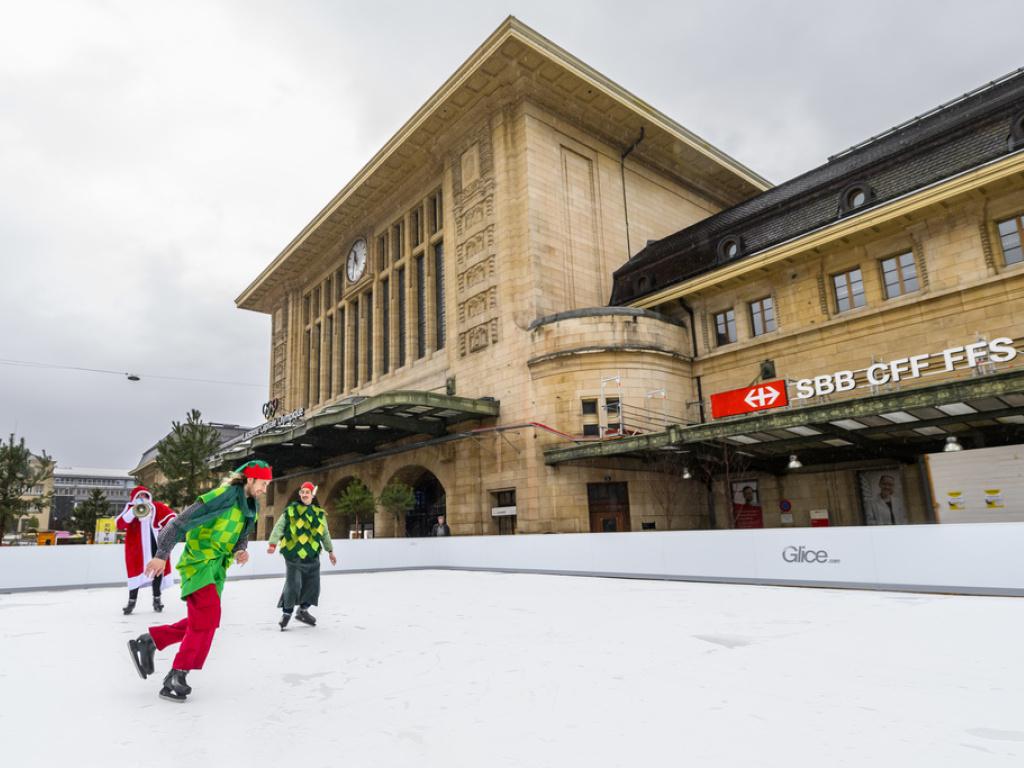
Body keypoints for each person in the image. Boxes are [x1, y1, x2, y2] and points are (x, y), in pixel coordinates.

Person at [125, 460, 271, 703]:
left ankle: (150, 641)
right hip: (199, 562)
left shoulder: (250, 505)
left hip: (217, 568)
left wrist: (240, 550)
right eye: (263, 483)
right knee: (208, 617)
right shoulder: (221, 496)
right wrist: (161, 555)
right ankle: (177, 675)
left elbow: (241, 535)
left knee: (202, 620)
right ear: (250, 479)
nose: (265, 489)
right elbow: (178, 523)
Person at [267, 481, 336, 630]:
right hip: (293, 553)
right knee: (294, 584)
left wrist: (330, 551)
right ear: (300, 494)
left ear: (312, 495)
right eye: (302, 492)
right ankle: (286, 614)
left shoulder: (319, 514)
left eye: (307, 492)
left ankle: (303, 611)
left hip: (312, 554)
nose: (304, 494)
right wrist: (273, 543)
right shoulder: (291, 510)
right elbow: (279, 526)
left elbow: (325, 533)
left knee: (313, 585)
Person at [116, 486, 176, 614]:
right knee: (135, 573)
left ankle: (157, 599)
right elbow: (120, 524)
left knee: (157, 571)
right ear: (134, 498)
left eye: (144, 496)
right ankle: (131, 602)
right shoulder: (130, 508)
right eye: (139, 496)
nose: (142, 499)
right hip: (137, 549)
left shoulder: (155, 507)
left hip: (155, 545)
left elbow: (172, 517)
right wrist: (132, 512)